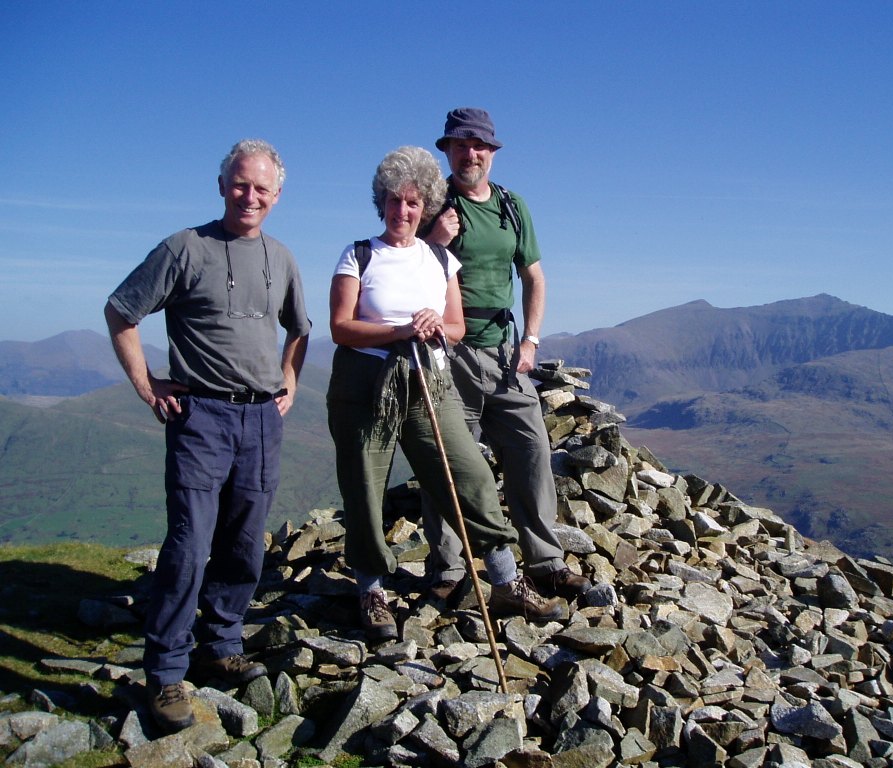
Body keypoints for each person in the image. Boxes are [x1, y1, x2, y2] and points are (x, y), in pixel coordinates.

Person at [104, 139, 311, 733]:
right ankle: (166, 676)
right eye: (240, 184)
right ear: (222, 185)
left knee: (245, 542)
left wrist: (288, 382)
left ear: (277, 195)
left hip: (261, 420)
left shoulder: (283, 257)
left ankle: (221, 645)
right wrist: (148, 387)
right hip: (201, 417)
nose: (250, 196)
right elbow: (121, 312)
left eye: (262, 189)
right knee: (190, 543)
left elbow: (299, 328)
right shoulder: (183, 248)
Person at [326, 146, 562, 642]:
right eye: (394, 200)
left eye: (413, 202)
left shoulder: (440, 259)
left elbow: (455, 326)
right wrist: (398, 330)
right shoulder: (359, 254)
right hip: (365, 386)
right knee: (364, 485)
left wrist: (436, 326)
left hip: (427, 381)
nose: (402, 211)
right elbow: (342, 328)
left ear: (425, 205)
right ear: (381, 203)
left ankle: (502, 577)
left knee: (467, 471)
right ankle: (372, 589)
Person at [423, 108, 591, 602]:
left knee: (532, 450)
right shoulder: (433, 204)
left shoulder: (512, 206)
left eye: (479, 146)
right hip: (449, 354)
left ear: (492, 154)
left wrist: (531, 340)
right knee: (448, 460)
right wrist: (435, 241)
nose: (469, 154)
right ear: (447, 151)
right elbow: (404, 269)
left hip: (503, 351)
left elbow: (534, 275)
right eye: (460, 145)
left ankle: (545, 561)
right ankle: (448, 569)